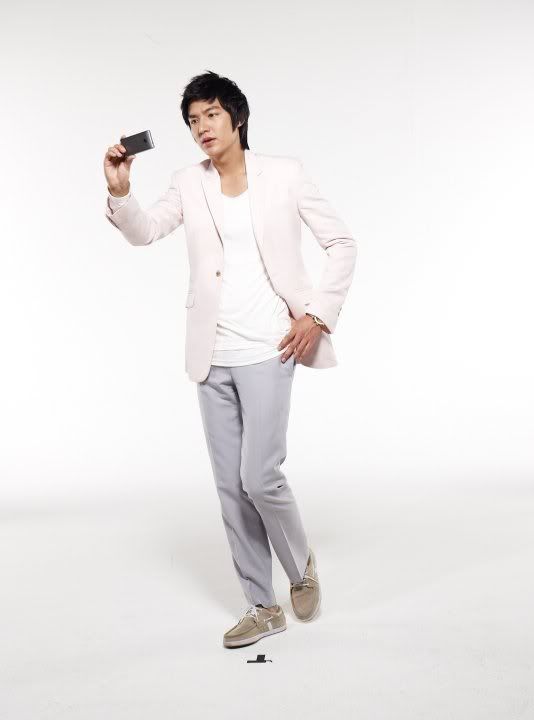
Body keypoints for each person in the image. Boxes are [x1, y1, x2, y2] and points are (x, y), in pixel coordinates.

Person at [103, 70, 357, 649]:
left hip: (270, 348)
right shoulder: (186, 183)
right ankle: (261, 605)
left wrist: (317, 315)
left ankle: (301, 566)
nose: (202, 127)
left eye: (212, 114)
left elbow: (342, 243)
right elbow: (144, 232)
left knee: (260, 477)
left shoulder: (285, 174)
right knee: (230, 488)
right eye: (193, 120)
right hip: (211, 355)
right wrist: (120, 191)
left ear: (236, 117)